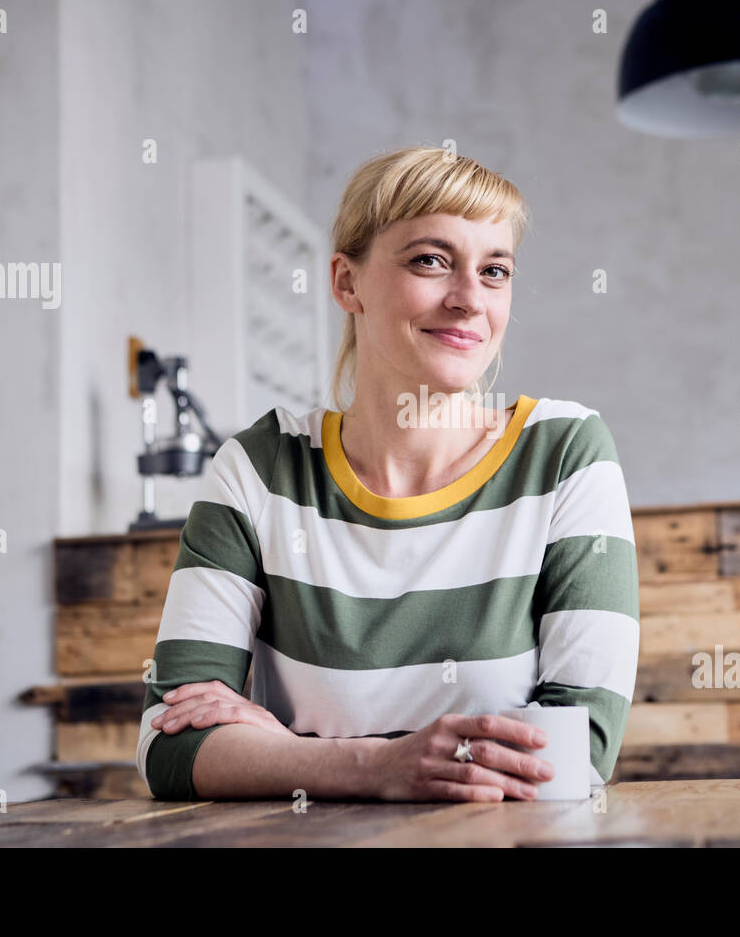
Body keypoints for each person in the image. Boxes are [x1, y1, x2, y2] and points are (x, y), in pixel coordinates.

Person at [136, 146, 639, 802]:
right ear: (347, 283)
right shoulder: (258, 470)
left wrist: (289, 755)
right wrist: (376, 768)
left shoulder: (565, 451)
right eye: (431, 260)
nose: (467, 300)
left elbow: (579, 749)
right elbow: (169, 746)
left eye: (494, 270)